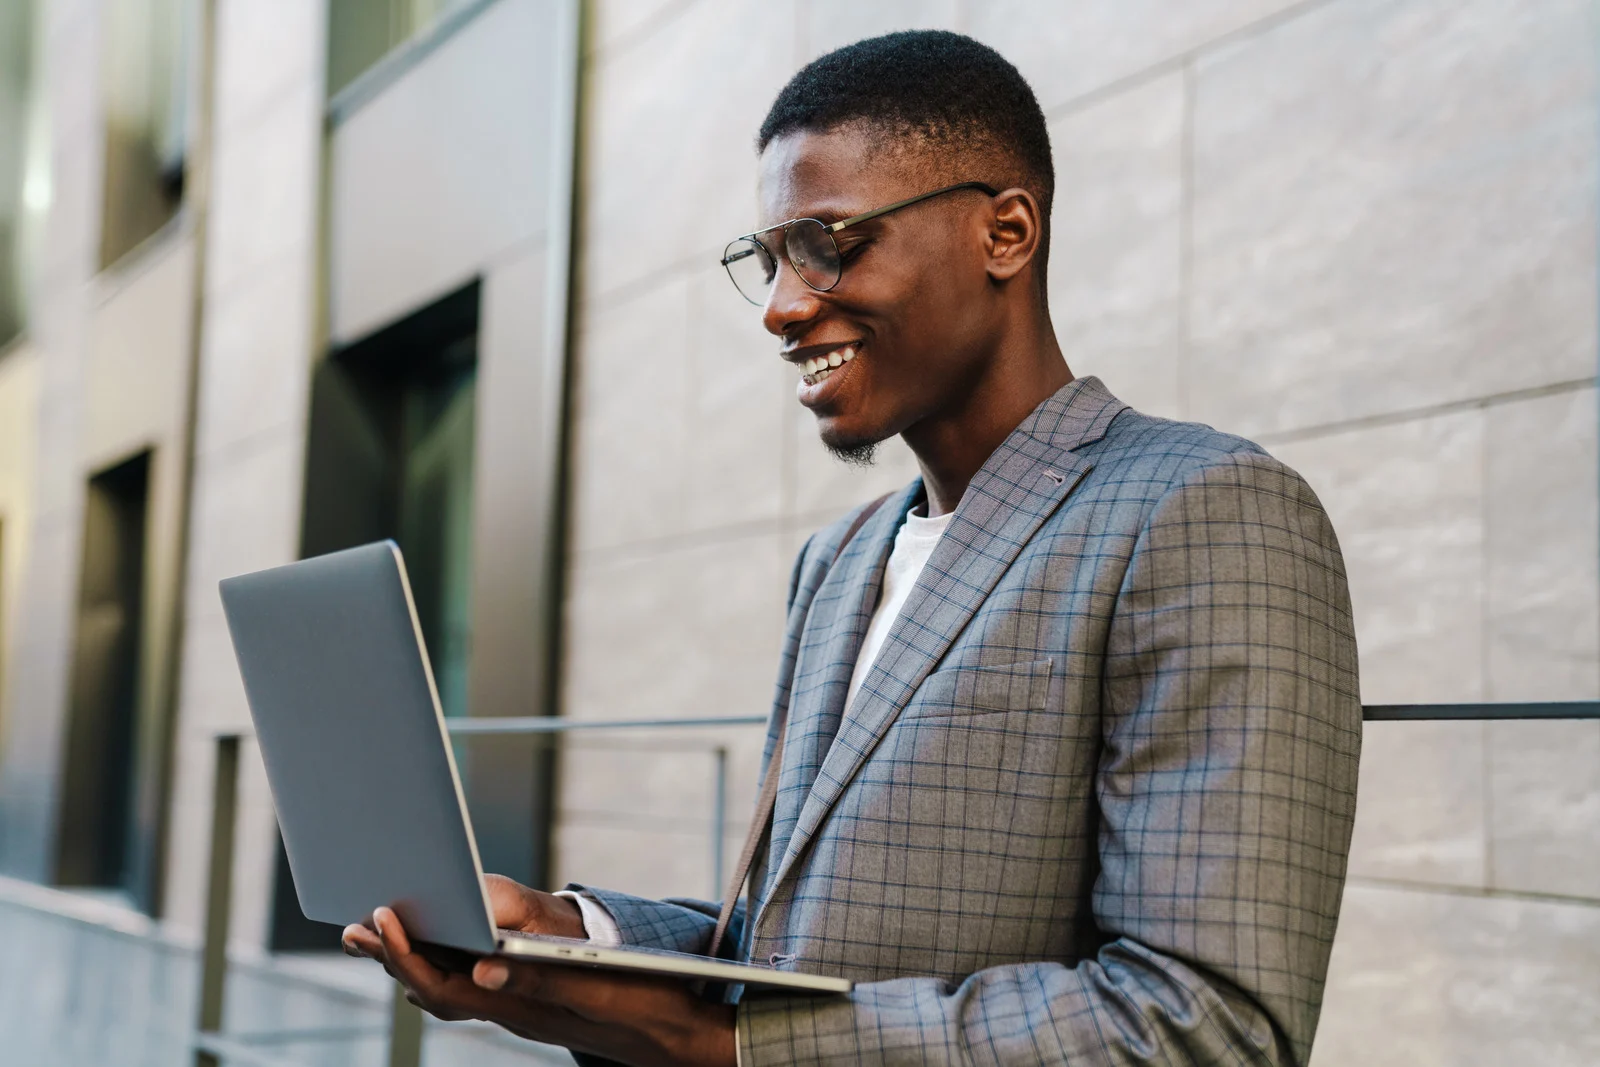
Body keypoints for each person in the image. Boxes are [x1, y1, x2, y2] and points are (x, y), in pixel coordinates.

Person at [342, 30, 1362, 1067]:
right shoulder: (838, 561)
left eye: (829, 243)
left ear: (1004, 232)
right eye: (770, 258)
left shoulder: (1203, 510)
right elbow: (787, 949)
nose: (785, 307)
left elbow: (1206, 1026)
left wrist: (721, 1042)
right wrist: (568, 938)